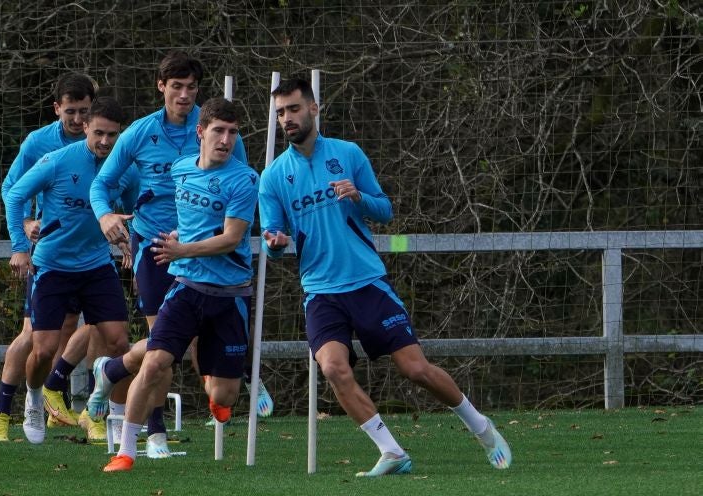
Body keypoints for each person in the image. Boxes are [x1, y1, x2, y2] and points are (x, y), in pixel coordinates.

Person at [257, 78, 513, 476]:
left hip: (367, 283)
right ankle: (392, 451)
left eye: (293, 109)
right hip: (320, 291)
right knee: (333, 368)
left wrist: (359, 197)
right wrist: (274, 242)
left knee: (416, 370)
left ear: (313, 109)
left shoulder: (348, 154)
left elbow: (386, 211)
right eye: (280, 113)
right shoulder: (272, 177)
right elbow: (272, 241)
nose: (286, 119)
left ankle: (481, 427)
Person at [88, 50, 271, 458]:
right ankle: (153, 434)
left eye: (190, 87)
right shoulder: (139, 133)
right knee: (163, 346)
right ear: (161, 87)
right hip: (155, 248)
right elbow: (101, 185)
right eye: (176, 87)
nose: (184, 95)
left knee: (177, 343)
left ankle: (114, 369)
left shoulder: (215, 133)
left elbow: (239, 187)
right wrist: (104, 218)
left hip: (207, 255)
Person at [3, 97, 133, 444]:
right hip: (52, 266)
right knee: (43, 349)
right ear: (86, 128)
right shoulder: (57, 161)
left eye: (113, 136)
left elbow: (135, 205)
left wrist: (129, 237)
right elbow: (15, 195)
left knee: (119, 341)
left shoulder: (124, 168)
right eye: (99, 133)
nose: (105, 142)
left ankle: (115, 418)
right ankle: (33, 398)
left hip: (97, 265)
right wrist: (19, 245)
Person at [0, 73, 104, 442]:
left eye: (85, 111)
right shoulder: (39, 143)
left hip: (89, 255)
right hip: (49, 255)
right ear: (57, 109)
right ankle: (0, 411)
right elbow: (11, 190)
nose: (78, 119)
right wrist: (25, 226)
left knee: (98, 326)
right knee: (33, 336)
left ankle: (59, 400)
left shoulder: (104, 141)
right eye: (71, 112)